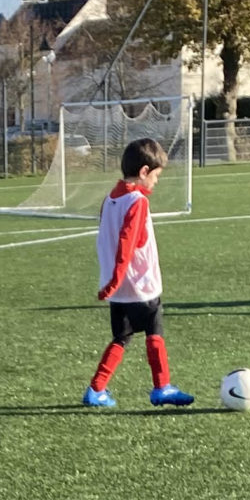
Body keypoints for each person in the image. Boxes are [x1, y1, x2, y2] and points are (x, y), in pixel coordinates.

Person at [84, 137, 193, 410]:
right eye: (156, 176)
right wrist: (117, 279)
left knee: (121, 337)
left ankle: (96, 389)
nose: (156, 182)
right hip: (140, 285)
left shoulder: (110, 198)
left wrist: (111, 281)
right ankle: (162, 387)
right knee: (154, 333)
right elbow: (126, 243)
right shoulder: (137, 202)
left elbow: (105, 240)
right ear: (144, 172)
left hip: (118, 288)